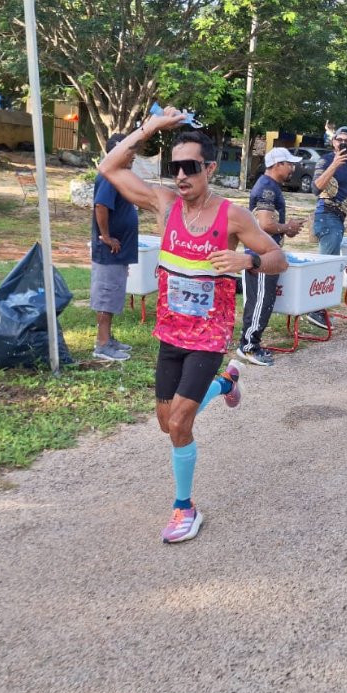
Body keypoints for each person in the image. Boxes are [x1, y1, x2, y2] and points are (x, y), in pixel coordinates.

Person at [99, 107, 288, 544]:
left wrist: (248, 259)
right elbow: (110, 167)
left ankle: (185, 508)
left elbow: (281, 259)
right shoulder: (163, 203)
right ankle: (225, 386)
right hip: (169, 332)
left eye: (190, 167)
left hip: (208, 334)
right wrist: (153, 128)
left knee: (181, 423)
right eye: (175, 167)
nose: (181, 175)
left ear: (209, 168)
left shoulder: (233, 217)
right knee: (166, 423)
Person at [237, 148, 304, 366]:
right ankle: (248, 347)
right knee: (260, 302)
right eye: (289, 164)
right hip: (262, 255)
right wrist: (287, 227)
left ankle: (250, 343)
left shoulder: (270, 186)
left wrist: (286, 228)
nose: (292, 168)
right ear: (277, 165)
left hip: (262, 254)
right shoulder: (267, 187)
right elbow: (264, 223)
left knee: (260, 301)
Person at [306, 124, 347, 329]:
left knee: (331, 266)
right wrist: (334, 164)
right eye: (339, 140)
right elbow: (316, 189)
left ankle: (319, 309)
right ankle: (315, 311)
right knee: (326, 265)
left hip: (338, 219)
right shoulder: (325, 160)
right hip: (326, 216)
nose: (342, 143)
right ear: (333, 142)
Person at [90, 132, 139, 361]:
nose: (133, 156)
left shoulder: (119, 176)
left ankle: (108, 338)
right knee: (106, 296)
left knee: (113, 295)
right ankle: (102, 344)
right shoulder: (109, 177)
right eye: (129, 151)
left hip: (119, 252)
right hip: (109, 250)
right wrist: (106, 237)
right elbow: (101, 205)